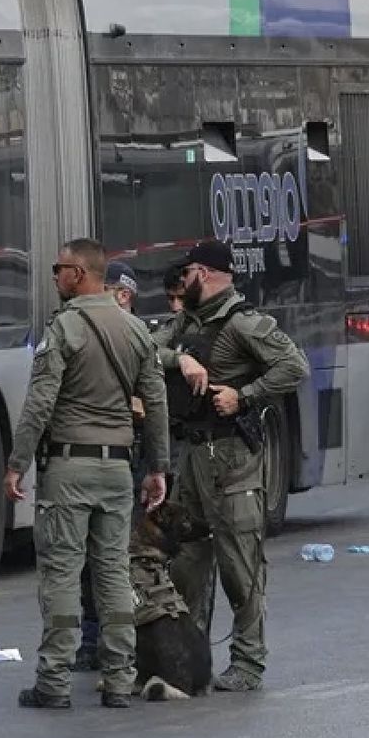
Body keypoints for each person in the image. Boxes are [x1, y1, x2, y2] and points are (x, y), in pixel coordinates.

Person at [5, 239, 169, 710]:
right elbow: (154, 404)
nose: (55, 276)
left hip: (68, 468)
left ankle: (53, 682)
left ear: (78, 273)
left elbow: (40, 403)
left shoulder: (65, 330)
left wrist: (17, 462)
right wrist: (158, 467)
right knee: (114, 573)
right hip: (117, 468)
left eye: (59, 268)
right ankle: (120, 680)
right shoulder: (136, 330)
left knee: (61, 574)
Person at [151, 239, 310, 693]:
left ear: (205, 272)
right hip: (193, 457)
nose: (181, 282)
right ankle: (190, 657)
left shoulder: (244, 324)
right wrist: (178, 357)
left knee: (240, 565)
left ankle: (248, 663)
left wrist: (245, 395)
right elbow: (143, 349)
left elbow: (293, 366)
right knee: (187, 564)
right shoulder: (186, 324)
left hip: (233, 458)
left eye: (187, 274)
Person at [72, 258, 151, 673]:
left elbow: (154, 400)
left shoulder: (135, 338)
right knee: (94, 557)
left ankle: (112, 644)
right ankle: (96, 640)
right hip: (106, 461)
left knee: (112, 558)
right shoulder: (86, 331)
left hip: (122, 461)